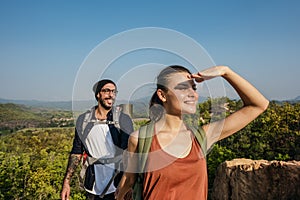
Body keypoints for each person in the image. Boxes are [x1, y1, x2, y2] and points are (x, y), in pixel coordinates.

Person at [115, 65, 269, 200]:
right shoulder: (141, 139)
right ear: (162, 95)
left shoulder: (201, 137)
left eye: (193, 88)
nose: (192, 94)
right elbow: (129, 180)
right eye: (182, 88)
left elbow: (258, 105)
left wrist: (225, 71)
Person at [61, 79, 134, 200]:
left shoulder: (123, 119)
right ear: (98, 94)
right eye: (106, 91)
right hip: (92, 185)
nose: (111, 95)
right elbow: (77, 152)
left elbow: (129, 153)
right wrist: (66, 183)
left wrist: (128, 184)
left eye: (114, 91)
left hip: (118, 185)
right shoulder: (83, 120)